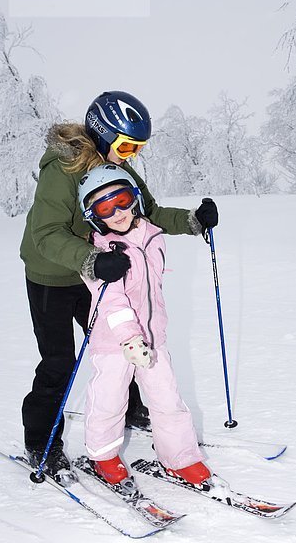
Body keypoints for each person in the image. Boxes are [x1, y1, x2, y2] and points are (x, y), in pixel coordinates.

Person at [20, 90, 218, 479]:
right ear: (102, 133)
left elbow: (151, 212)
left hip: (103, 268)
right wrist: (91, 260)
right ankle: (41, 440)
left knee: (119, 342)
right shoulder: (62, 169)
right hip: (54, 276)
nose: (130, 155)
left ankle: (130, 408)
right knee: (59, 361)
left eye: (137, 147)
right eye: (126, 145)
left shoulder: (117, 168)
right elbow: (45, 234)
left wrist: (194, 221)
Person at [78, 163, 211, 485]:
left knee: (167, 400)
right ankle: (104, 456)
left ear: (134, 197)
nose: (118, 212)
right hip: (114, 344)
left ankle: (180, 459)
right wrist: (128, 338)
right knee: (109, 401)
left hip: (152, 339)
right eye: (106, 208)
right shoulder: (98, 254)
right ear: (94, 215)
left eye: (122, 199)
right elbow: (111, 300)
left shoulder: (153, 237)